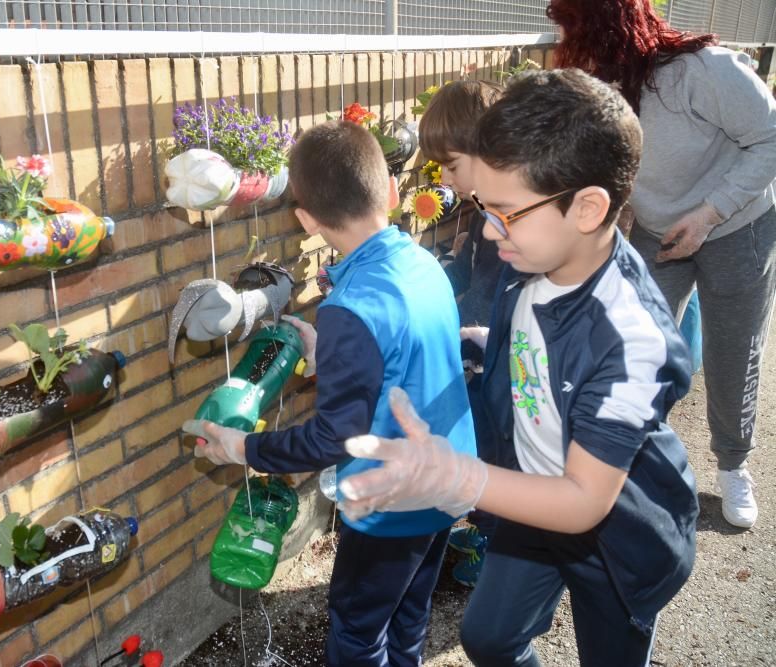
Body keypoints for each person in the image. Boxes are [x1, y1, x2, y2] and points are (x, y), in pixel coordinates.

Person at [337, 69, 698, 666]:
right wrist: (476, 341)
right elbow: (529, 338)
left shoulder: (632, 340)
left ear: (587, 208)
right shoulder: (535, 253)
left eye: (505, 211)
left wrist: (458, 478)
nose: (486, 227)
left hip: (614, 544)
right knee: (489, 638)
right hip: (531, 510)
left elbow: (584, 499)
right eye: (486, 206)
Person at [184, 120, 475, 667]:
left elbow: (334, 438)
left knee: (358, 629)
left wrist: (240, 448)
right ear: (388, 191)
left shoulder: (351, 306)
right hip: (448, 476)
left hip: (395, 502)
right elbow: (403, 357)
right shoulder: (420, 263)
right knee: (408, 613)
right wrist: (330, 353)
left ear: (307, 219)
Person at [547, 0, 776, 529]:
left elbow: (768, 138)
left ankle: (734, 465)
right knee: (637, 349)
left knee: (733, 350)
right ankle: (636, 461)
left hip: (737, 225)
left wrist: (709, 213)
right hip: (660, 232)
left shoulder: (706, 69)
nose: (564, 45)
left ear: (602, 30)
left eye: (571, 30)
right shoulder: (601, 88)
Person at [419, 79, 504, 587]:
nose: (448, 179)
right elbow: (467, 275)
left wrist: (482, 334)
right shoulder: (481, 211)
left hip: (497, 357)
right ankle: (483, 526)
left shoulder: (512, 218)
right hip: (475, 351)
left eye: (452, 165)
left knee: (495, 450)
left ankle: (497, 545)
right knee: (476, 446)